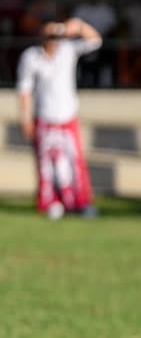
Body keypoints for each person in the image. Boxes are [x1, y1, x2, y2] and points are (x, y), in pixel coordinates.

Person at [16, 17, 102, 218]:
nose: (53, 39)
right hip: (44, 117)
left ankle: (80, 202)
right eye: (49, 34)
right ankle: (50, 202)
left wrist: (79, 26)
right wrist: (25, 118)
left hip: (67, 116)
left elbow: (96, 41)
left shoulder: (67, 50)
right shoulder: (30, 57)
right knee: (47, 165)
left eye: (56, 34)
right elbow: (24, 89)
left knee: (74, 163)